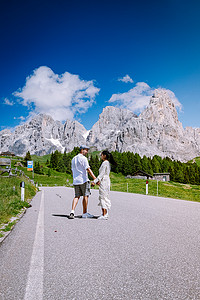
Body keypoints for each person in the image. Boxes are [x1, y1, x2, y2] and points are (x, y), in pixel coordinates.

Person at [69, 145, 97, 219]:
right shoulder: (83, 158)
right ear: (82, 150)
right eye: (86, 150)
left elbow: (72, 171)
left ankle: (72, 211)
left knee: (76, 196)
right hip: (83, 180)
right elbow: (88, 169)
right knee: (85, 196)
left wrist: (75, 177)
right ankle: (84, 213)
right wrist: (95, 178)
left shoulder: (73, 159)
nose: (87, 152)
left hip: (76, 181)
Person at [92, 150, 116, 220]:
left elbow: (101, 174)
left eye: (101, 155)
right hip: (106, 180)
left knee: (102, 197)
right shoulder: (107, 163)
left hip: (104, 181)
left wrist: (95, 181)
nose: (101, 156)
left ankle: (104, 214)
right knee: (105, 196)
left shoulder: (105, 163)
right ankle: (106, 213)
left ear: (104, 156)